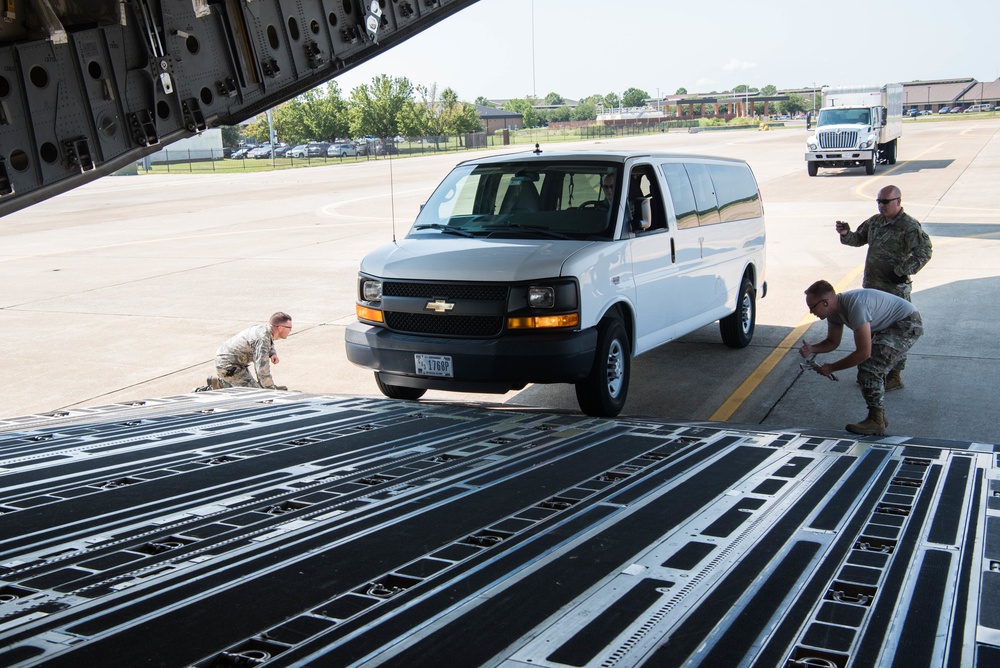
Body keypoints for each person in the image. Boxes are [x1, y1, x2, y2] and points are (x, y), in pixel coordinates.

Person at [834, 185, 932, 390]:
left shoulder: (909, 226)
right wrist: (845, 233)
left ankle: (895, 375)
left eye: (885, 202)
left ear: (898, 201)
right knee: (869, 331)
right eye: (878, 201)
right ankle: (871, 370)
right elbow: (858, 239)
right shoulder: (875, 222)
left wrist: (901, 271)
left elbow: (924, 252)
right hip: (872, 287)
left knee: (896, 333)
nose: (881, 205)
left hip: (895, 290)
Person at [799, 280, 923, 436]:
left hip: (906, 323)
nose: (811, 312)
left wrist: (831, 367)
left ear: (825, 302)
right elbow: (832, 342)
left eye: (812, 307)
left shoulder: (856, 306)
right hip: (889, 326)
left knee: (869, 368)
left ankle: (876, 421)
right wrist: (812, 348)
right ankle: (878, 417)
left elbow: (863, 352)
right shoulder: (834, 311)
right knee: (869, 366)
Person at [200, 312, 292, 391]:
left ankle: (225, 383)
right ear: (280, 328)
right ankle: (220, 385)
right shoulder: (262, 339)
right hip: (228, 366)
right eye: (289, 328)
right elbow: (261, 370)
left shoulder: (264, 331)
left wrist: (272, 353)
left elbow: (269, 342)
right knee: (255, 395)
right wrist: (271, 391)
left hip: (233, 363)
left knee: (259, 388)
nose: (290, 331)